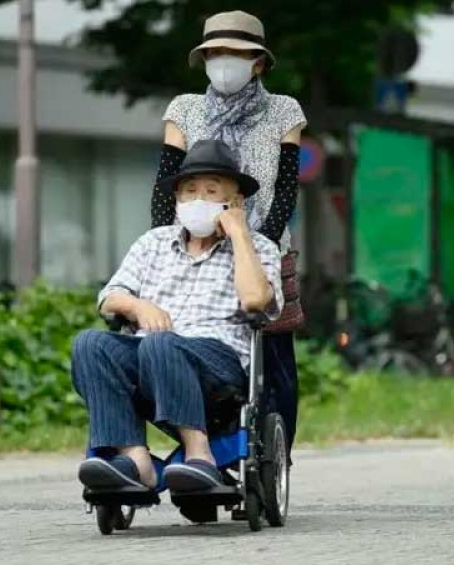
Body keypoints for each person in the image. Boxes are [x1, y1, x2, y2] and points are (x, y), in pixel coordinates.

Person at [73, 140, 283, 493]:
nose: (198, 200)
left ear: (235, 201)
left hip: (217, 361)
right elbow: (109, 298)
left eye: (211, 191)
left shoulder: (260, 247)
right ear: (177, 199)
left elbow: (254, 300)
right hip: (150, 354)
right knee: (90, 344)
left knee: (161, 344)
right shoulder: (152, 242)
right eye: (189, 191)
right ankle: (136, 461)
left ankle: (200, 456)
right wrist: (140, 307)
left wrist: (239, 233)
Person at [150, 10, 306, 457]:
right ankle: (202, 445)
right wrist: (166, 247)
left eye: (235, 53)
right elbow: (165, 187)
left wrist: (258, 246)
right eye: (215, 52)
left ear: (258, 62)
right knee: (184, 343)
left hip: (261, 248)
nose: (223, 61)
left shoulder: (284, 111)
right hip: (194, 249)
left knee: (273, 361)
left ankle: (274, 459)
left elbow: (286, 190)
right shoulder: (184, 109)